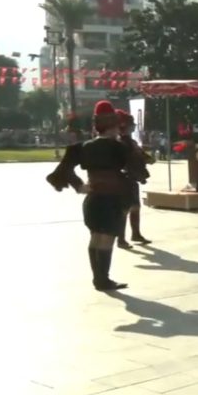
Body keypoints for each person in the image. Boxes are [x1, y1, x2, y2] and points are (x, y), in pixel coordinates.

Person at [45, 100, 139, 291]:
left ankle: (99, 279)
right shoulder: (120, 147)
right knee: (106, 240)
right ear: (113, 125)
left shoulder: (82, 147)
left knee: (96, 238)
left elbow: (62, 171)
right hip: (111, 200)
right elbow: (136, 172)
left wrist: (79, 186)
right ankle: (103, 280)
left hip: (93, 200)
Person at [115, 110, 153, 248]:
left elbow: (140, 155)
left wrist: (147, 159)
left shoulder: (131, 142)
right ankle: (121, 239)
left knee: (135, 207)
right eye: (131, 125)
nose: (133, 127)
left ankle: (135, 234)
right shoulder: (120, 143)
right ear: (124, 126)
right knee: (124, 210)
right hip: (124, 180)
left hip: (133, 180)